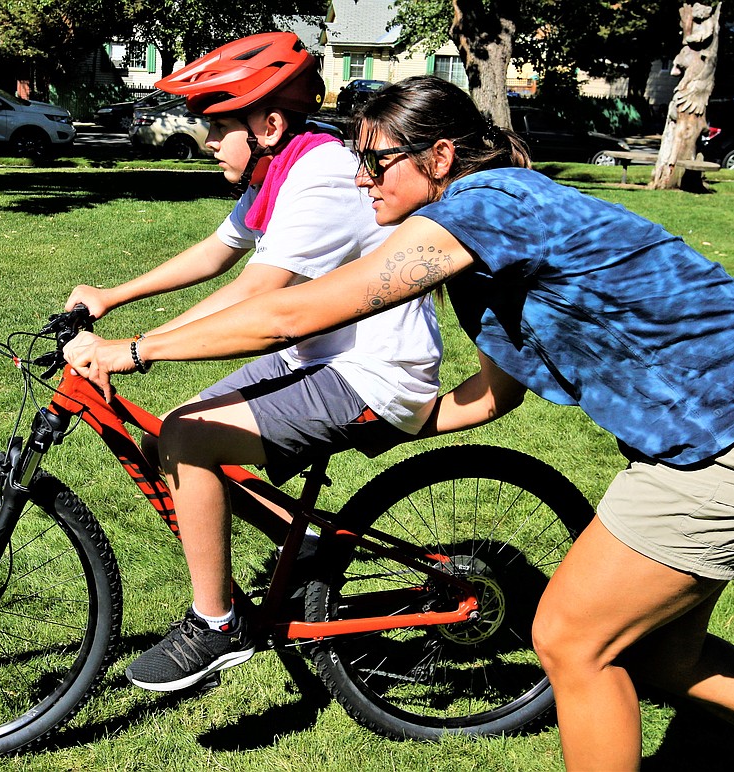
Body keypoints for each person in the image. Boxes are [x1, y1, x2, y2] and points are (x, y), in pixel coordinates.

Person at [64, 75, 734, 771]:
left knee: (570, 640)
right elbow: (495, 395)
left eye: (376, 161)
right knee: (665, 656)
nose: (361, 180)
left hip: (733, 439)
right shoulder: (487, 240)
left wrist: (136, 350)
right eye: (355, 160)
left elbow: (301, 312)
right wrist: (390, 426)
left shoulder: (485, 207)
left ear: (441, 158)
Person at [64, 37, 441, 693]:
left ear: (267, 125)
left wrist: (130, 350)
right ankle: (314, 552)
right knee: (169, 436)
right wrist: (112, 297)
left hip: (374, 372)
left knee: (186, 436)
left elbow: (255, 295)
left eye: (217, 126)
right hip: (324, 355)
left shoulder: (319, 173)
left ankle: (216, 625)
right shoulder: (280, 167)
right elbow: (218, 253)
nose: (207, 140)